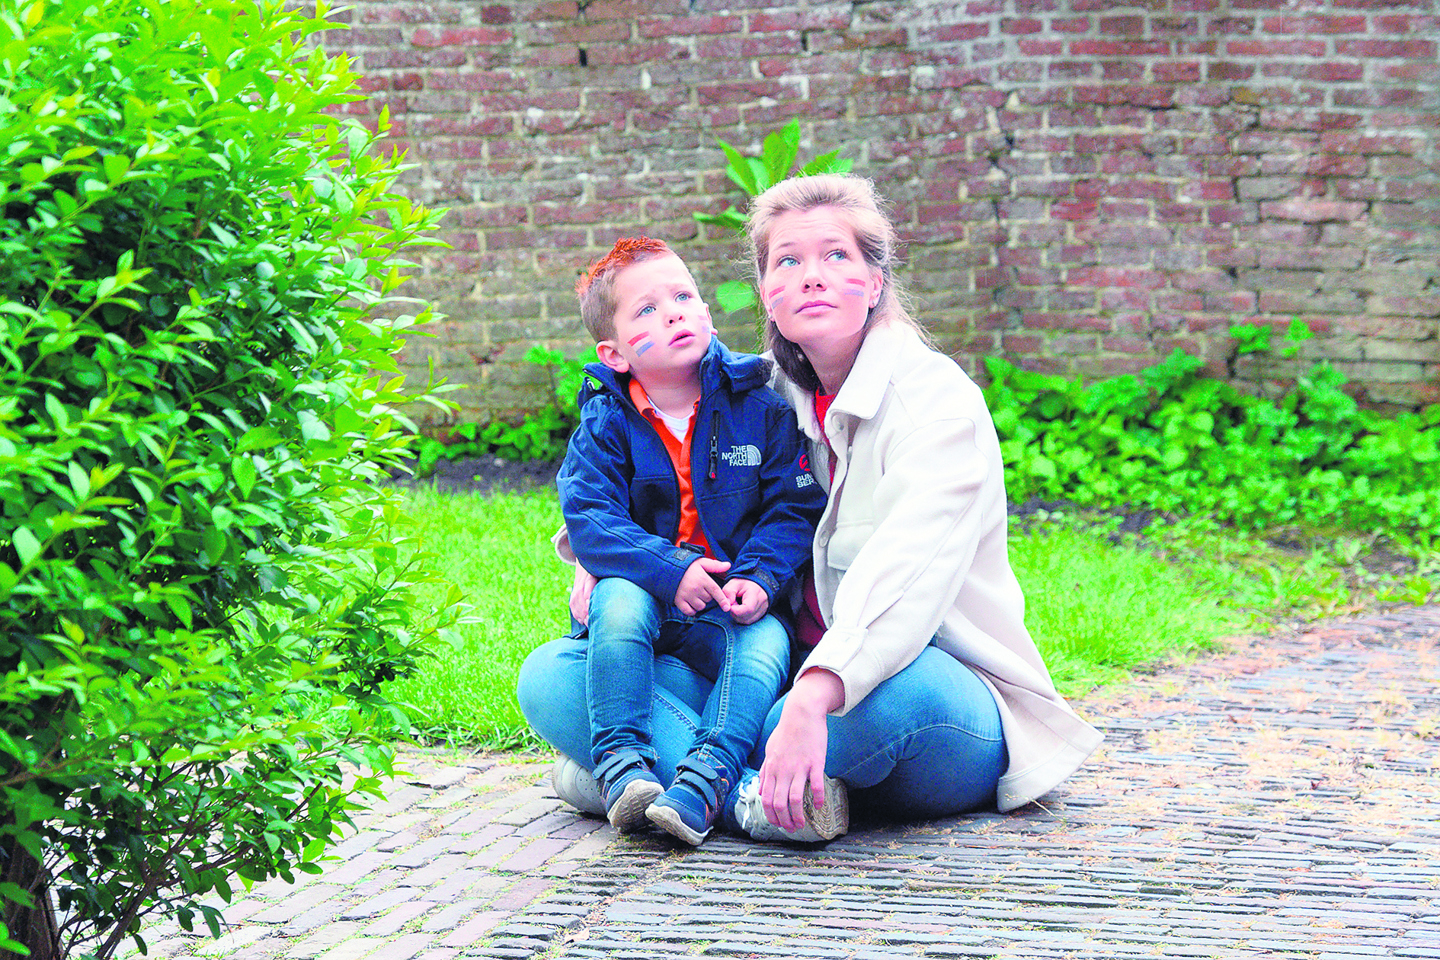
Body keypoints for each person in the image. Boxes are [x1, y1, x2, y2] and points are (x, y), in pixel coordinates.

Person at [518, 176, 1101, 840]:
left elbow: (903, 583)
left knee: (856, 708)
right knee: (550, 675)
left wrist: (817, 692)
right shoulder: (758, 396)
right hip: (776, 675)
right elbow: (641, 448)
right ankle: (746, 794)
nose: (811, 277)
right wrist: (598, 559)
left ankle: (640, 778)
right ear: (765, 291)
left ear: (876, 282)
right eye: (787, 261)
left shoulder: (936, 406)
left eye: (837, 257)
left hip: (926, 687)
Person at [552, 236, 828, 845]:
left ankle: (704, 783)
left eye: (683, 295)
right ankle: (623, 771)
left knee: (763, 643)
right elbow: (590, 517)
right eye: (646, 310)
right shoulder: (605, 419)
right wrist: (670, 570)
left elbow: (794, 505)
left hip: (733, 601)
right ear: (615, 352)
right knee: (615, 604)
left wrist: (759, 577)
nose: (674, 312)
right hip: (649, 595)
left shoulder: (758, 400)